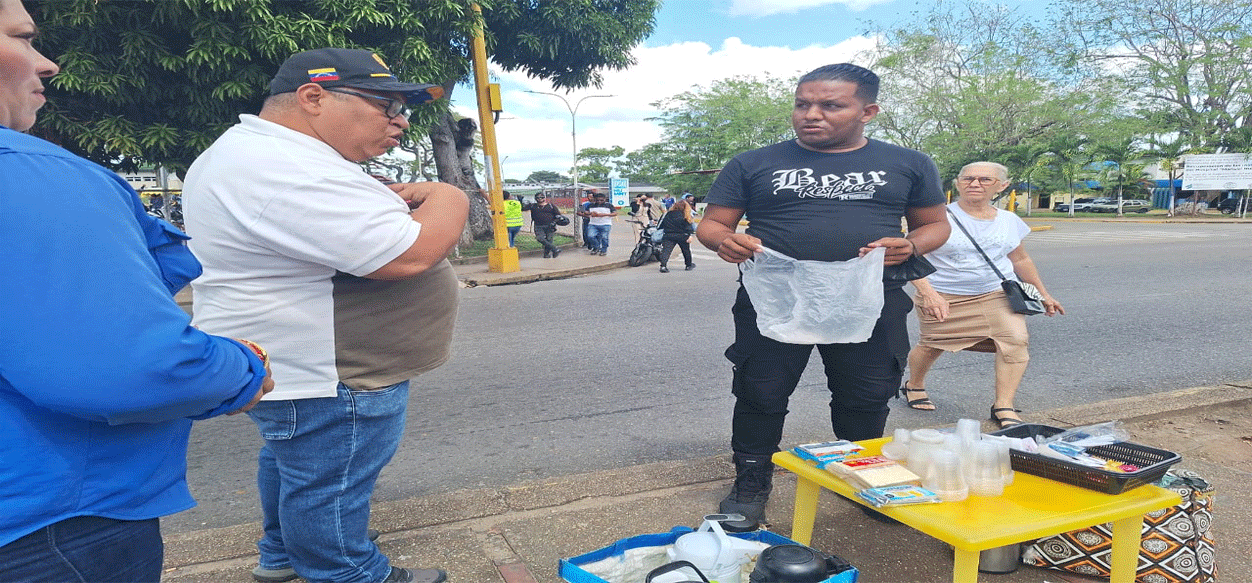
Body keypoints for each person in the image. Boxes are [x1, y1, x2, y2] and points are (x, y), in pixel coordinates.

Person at [0, 1, 274, 580]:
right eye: (21, 37)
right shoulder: (37, 176)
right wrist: (244, 366)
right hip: (51, 527)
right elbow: (131, 367)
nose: (46, 63)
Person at [183, 47, 468, 583]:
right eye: (387, 105)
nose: (401, 122)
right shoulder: (282, 167)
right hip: (332, 374)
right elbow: (410, 255)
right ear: (313, 97)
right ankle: (345, 570)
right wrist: (449, 195)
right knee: (330, 483)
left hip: (309, 365)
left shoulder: (272, 156)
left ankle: (284, 553)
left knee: (299, 469)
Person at [695, 63, 950, 527]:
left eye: (830, 105)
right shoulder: (752, 163)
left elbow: (935, 225)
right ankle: (752, 482)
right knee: (760, 391)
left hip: (870, 298)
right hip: (775, 298)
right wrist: (723, 240)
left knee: (867, 394)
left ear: (868, 111)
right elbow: (712, 223)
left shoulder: (909, 163)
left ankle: (861, 474)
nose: (811, 114)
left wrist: (911, 245)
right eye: (802, 104)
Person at [903, 161, 1064, 428]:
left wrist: (1044, 294)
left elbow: (1020, 259)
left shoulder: (1009, 220)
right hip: (943, 294)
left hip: (994, 293)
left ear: (1002, 186)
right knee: (932, 344)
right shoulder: (937, 218)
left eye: (985, 180)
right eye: (968, 179)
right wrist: (928, 293)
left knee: (1015, 340)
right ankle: (914, 384)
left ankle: (1003, 405)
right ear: (957, 183)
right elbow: (910, 257)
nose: (975, 184)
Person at [657, 198, 697, 273]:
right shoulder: (685, 215)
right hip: (682, 235)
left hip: (669, 235)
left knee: (666, 251)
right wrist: (689, 235)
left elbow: (662, 225)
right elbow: (688, 227)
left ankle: (663, 266)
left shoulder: (668, 214)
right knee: (686, 250)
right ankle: (688, 265)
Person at [526, 192, 564, 258]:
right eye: (538, 197)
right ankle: (554, 249)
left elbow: (558, 215)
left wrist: (554, 222)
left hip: (550, 225)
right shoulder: (533, 206)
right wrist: (520, 200)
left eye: (542, 197)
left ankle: (546, 254)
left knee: (549, 240)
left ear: (544, 198)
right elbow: (522, 208)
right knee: (540, 238)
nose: (540, 199)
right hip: (538, 225)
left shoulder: (551, 206)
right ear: (535, 199)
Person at [579, 192, 616, 256]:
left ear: (605, 199)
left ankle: (604, 250)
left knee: (604, 237)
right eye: (597, 200)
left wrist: (604, 215)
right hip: (593, 224)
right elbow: (585, 212)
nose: (599, 202)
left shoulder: (609, 205)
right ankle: (596, 247)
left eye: (601, 200)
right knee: (590, 236)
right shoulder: (591, 205)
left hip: (605, 224)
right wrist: (591, 213)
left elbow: (615, 213)